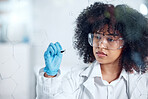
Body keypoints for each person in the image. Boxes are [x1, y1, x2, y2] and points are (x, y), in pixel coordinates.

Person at [36, 2, 148, 99]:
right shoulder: (75, 79)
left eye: (110, 39)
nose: (100, 45)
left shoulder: (141, 81)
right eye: (97, 37)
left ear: (127, 43)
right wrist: (50, 76)